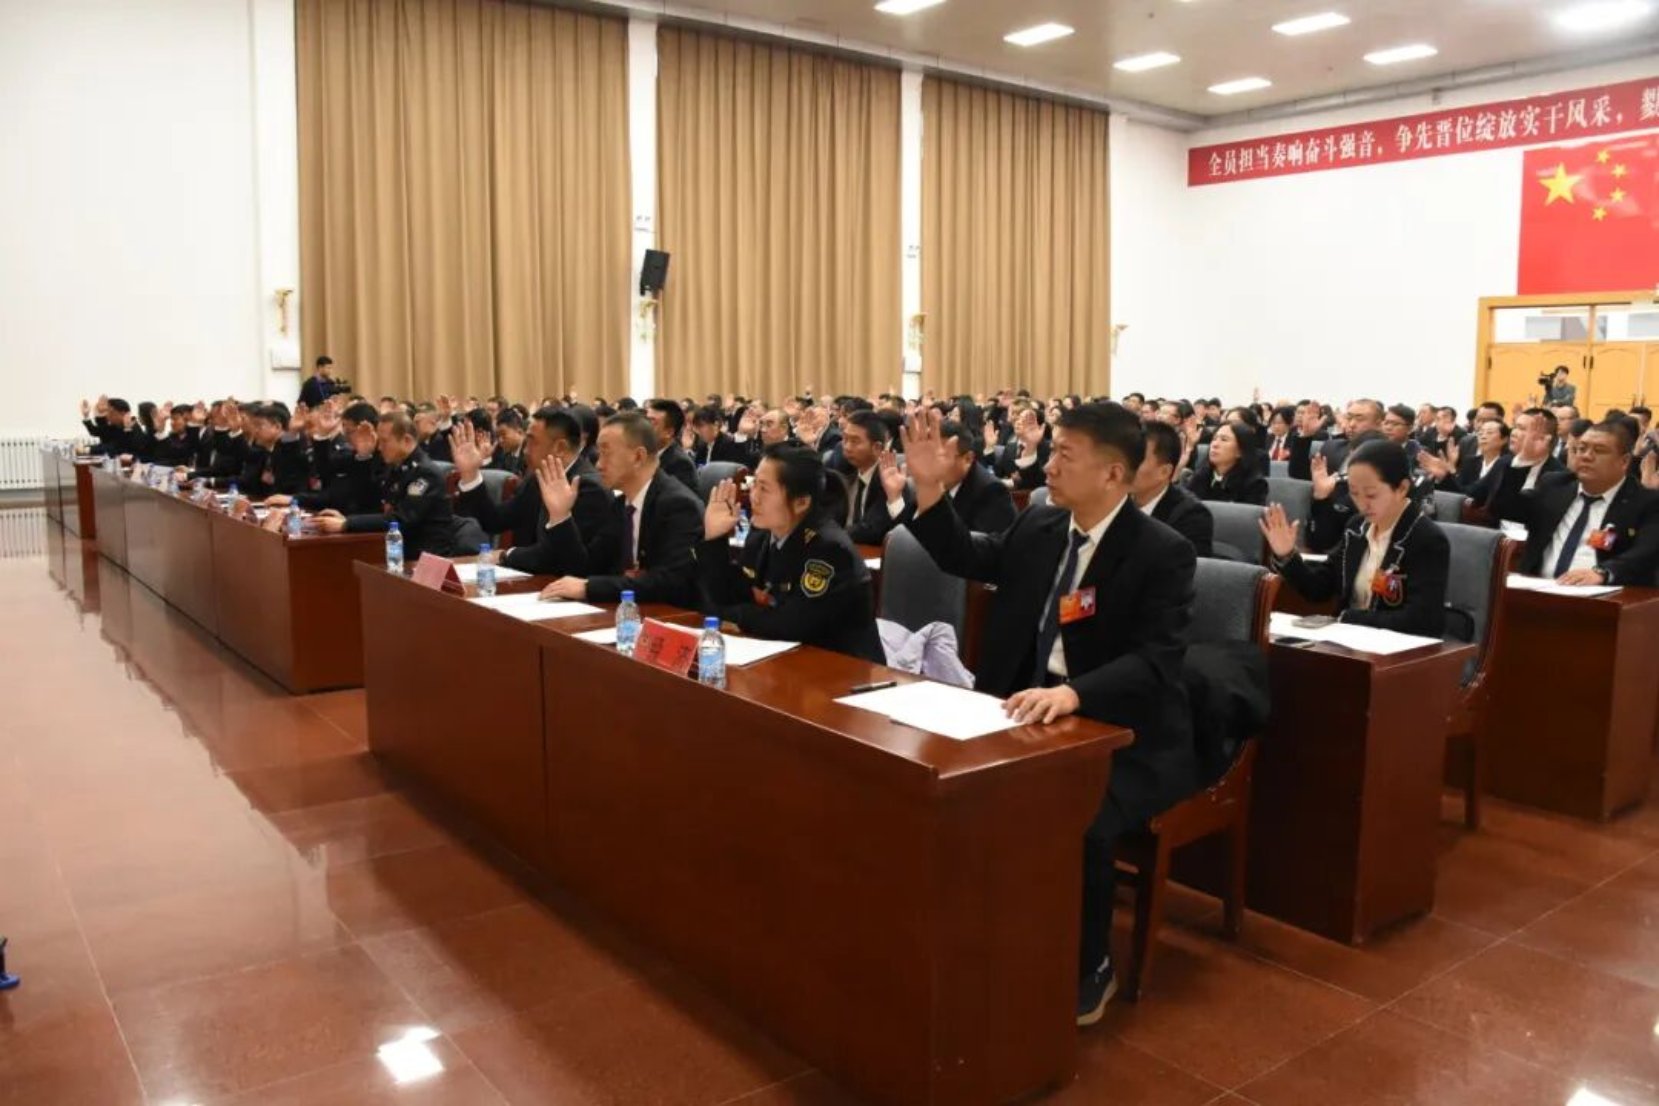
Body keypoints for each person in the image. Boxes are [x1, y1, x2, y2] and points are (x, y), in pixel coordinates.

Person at [901, 403, 1196, 1026]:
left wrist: (1076, 693)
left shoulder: (1162, 551)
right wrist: (928, 489)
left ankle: (1091, 965)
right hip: (1022, 705)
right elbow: (969, 557)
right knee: (939, 775)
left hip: (1118, 724)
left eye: (1064, 455)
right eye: (1052, 451)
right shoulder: (1040, 523)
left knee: (1073, 810)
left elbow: (1157, 660)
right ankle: (984, 926)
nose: (1049, 467)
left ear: (1113, 474)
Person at [695, 443, 883, 662]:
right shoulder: (762, 535)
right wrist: (714, 539)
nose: (754, 496)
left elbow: (791, 624)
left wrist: (733, 614)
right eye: (754, 484)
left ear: (801, 502)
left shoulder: (830, 549)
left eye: (764, 489)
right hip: (781, 658)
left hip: (841, 668)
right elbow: (724, 597)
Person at [1261, 439, 1449, 637]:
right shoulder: (1357, 527)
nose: (1362, 504)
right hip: (1348, 639)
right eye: (1354, 493)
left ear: (1401, 488)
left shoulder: (1426, 539)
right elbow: (1320, 588)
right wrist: (1287, 555)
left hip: (1397, 647)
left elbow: (1421, 620)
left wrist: (1348, 618)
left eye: (1371, 495)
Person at [539, 411, 702, 606]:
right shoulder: (621, 505)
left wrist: (589, 587)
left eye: (606, 453)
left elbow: (669, 582)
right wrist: (560, 516)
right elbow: (586, 567)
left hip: (672, 615)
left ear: (638, 457)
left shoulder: (678, 505)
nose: (598, 464)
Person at [455, 408, 623, 576]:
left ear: (560, 447)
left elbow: (560, 557)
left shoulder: (589, 488)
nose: (525, 451)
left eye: (532, 442)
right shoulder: (537, 478)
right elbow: (494, 521)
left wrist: (507, 555)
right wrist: (470, 475)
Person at [1491, 420, 1659, 586]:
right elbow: (1504, 508)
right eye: (1581, 449)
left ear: (1624, 461)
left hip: (1601, 595)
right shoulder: (1555, 486)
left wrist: (1603, 572)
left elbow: (1646, 552)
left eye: (1599, 451)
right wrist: (1524, 460)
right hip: (1538, 588)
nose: (1586, 456)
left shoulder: (1645, 502)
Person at [312, 411, 464, 557]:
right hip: (394, 549)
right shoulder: (395, 467)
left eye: (384, 441)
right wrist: (345, 518)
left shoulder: (425, 473)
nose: (379, 447)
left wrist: (348, 523)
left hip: (423, 557)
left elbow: (401, 519)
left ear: (406, 440)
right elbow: (372, 502)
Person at [892, 419, 1015, 534]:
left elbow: (970, 546)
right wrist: (894, 497)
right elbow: (903, 531)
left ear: (968, 459)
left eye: (941, 458)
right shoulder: (932, 483)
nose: (932, 465)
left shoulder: (992, 492)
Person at [1132, 422, 1213, 557]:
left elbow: (1188, 567)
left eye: (1136, 459)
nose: (1123, 466)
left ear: (1164, 472)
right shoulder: (1112, 499)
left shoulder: (1192, 516)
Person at [838, 410, 910, 545]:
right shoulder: (845, 470)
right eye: (845, 439)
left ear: (877, 447)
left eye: (854, 441)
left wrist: (833, 535)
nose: (847, 447)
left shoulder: (889, 478)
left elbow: (872, 530)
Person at [1184, 422, 1268, 505]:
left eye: (1224, 440)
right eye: (1214, 439)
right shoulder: (1200, 476)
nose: (1215, 444)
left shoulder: (1254, 484)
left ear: (1240, 451)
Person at [645, 398, 699, 494]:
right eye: (645, 421)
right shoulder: (645, 454)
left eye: (652, 423)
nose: (644, 427)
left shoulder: (680, 464)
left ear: (669, 432)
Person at [150, 403, 201, 467]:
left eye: (175, 419)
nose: (172, 423)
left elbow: (180, 454)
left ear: (188, 419)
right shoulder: (172, 436)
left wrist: (161, 433)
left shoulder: (195, 435)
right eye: (171, 419)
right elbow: (159, 456)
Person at [489, 408, 530, 476]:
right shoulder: (500, 450)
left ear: (519, 432)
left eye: (503, 434)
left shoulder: (530, 452)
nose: (500, 440)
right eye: (498, 436)